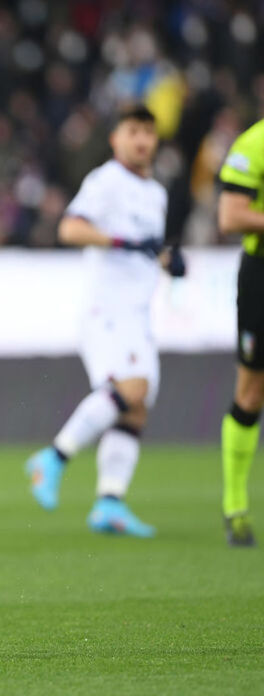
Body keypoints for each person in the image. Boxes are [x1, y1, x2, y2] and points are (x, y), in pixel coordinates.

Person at [25, 105, 182, 537]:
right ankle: (53, 458)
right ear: (116, 139)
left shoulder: (156, 192)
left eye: (148, 132)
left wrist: (168, 259)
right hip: (108, 310)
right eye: (133, 131)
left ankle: (109, 502)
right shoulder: (106, 181)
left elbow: (143, 247)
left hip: (137, 310)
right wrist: (122, 240)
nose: (142, 140)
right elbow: (71, 229)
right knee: (132, 389)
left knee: (136, 409)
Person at [216, 117, 264, 547]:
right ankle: (235, 505)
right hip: (262, 275)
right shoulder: (255, 142)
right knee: (251, 392)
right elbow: (230, 216)